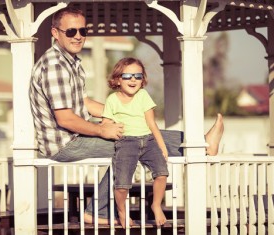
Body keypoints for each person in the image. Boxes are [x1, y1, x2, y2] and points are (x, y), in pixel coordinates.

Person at [29, 6, 224, 225]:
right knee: (132, 143)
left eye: (82, 31)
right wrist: (102, 129)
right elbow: (65, 119)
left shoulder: (71, 62)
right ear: (55, 33)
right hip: (64, 143)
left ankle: (97, 211)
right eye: (71, 32)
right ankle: (201, 144)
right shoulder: (55, 65)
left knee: (133, 137)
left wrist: (120, 113)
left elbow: (84, 103)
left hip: (75, 135)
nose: (78, 37)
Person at [102, 57, 169, 227]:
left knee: (162, 173)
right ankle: (122, 212)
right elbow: (106, 124)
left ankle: (156, 205)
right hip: (126, 143)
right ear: (118, 79)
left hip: (148, 140)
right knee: (122, 184)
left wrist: (162, 146)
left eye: (138, 76)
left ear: (142, 80)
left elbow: (152, 123)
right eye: (128, 76)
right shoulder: (112, 100)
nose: (133, 79)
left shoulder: (143, 95)